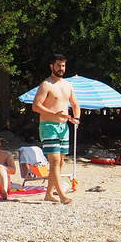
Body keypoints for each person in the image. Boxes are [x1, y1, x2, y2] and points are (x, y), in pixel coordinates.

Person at [31, 54, 79, 204]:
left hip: (64, 126)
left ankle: (48, 193)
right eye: (58, 65)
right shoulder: (46, 84)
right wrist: (54, 114)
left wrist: (76, 118)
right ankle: (62, 196)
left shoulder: (68, 85)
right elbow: (36, 106)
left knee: (61, 161)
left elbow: (75, 104)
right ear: (52, 66)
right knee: (54, 161)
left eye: (63, 65)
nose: (61, 68)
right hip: (49, 126)